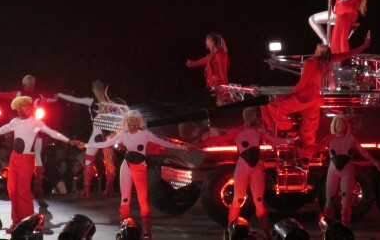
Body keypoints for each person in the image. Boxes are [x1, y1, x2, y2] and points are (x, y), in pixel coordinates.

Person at [0, 96, 81, 233]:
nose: (28, 108)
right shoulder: (15, 121)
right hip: (14, 159)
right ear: (17, 108)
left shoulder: (35, 122)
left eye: (29, 106)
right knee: (12, 191)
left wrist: (69, 140)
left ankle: (29, 222)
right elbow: (0, 130)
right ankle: (16, 222)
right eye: (24, 106)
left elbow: (52, 132)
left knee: (23, 192)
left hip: (26, 160)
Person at [76, 110, 189, 240]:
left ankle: (148, 232)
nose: (132, 123)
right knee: (125, 199)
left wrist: (184, 147)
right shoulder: (123, 135)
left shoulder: (145, 134)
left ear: (138, 122)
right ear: (126, 122)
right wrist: (85, 144)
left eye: (135, 120)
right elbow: (105, 144)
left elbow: (164, 143)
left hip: (140, 167)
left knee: (143, 201)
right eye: (130, 120)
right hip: (126, 166)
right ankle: (123, 228)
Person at [262, 31, 371, 160]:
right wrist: (365, 45)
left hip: (305, 96)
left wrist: (291, 95)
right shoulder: (325, 61)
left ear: (319, 51)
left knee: (275, 106)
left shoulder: (310, 62)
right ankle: (305, 158)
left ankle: (288, 131)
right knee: (309, 130)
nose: (322, 44)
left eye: (323, 46)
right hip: (317, 99)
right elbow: (346, 55)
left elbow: (303, 83)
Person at [196, 108, 271, 238]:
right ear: (248, 117)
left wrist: (292, 142)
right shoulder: (238, 132)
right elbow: (219, 140)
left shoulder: (259, 131)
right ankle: (231, 229)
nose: (257, 118)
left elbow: (274, 139)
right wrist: (199, 145)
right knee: (237, 199)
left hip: (256, 168)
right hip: (242, 168)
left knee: (259, 200)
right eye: (254, 116)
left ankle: (266, 231)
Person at [0, 74, 56, 198]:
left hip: (35, 129)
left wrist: (59, 98)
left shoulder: (38, 96)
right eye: (28, 84)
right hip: (22, 129)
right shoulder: (19, 94)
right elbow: (1, 94)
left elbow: (51, 100)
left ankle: (38, 186)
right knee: (20, 156)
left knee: (37, 156)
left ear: (34, 85)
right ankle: (21, 186)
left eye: (32, 84)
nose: (30, 86)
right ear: (24, 85)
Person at [56, 80, 117, 197]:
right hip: (108, 135)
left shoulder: (92, 101)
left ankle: (87, 189)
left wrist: (59, 95)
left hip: (98, 133)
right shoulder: (110, 103)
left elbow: (73, 99)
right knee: (109, 161)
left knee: (89, 158)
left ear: (94, 89)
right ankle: (109, 188)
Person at [319, 115, 380, 226]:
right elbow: (317, 148)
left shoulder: (351, 139)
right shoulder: (329, 138)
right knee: (330, 200)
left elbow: (363, 152)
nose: (340, 125)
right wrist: (303, 147)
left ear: (346, 125)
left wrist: (375, 162)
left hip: (347, 172)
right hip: (333, 172)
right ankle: (327, 228)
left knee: (346, 202)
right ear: (334, 125)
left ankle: (345, 225)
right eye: (338, 123)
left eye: (342, 123)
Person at [186, 33, 230, 105]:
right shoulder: (211, 56)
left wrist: (225, 88)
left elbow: (223, 72)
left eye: (207, 39)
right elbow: (201, 61)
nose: (206, 42)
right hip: (213, 85)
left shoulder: (220, 55)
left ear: (212, 41)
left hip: (218, 85)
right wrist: (192, 63)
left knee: (221, 103)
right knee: (218, 103)